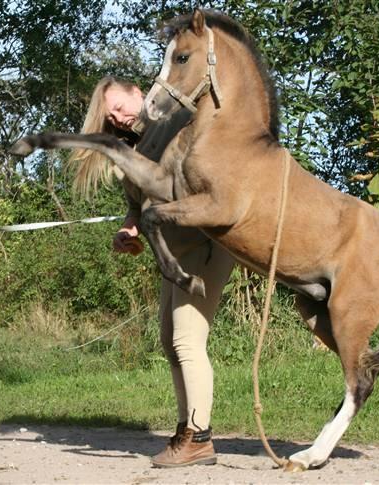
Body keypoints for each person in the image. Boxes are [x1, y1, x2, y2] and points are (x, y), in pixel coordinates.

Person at [69, 77, 235, 468]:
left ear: (139, 94)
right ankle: (185, 431)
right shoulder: (130, 149)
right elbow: (136, 205)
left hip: (205, 243)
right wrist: (129, 227)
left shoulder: (182, 122)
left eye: (121, 107)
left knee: (187, 339)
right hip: (172, 253)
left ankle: (200, 438)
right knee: (168, 339)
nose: (119, 118)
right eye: (111, 116)